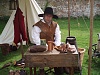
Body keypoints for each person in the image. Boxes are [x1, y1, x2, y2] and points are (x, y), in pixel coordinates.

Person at [32, 7, 66, 75]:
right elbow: (36, 39)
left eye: (50, 16)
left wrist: (56, 44)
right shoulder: (37, 26)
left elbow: (58, 35)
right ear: (44, 16)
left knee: (60, 52)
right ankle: (41, 68)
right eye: (47, 16)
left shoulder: (55, 25)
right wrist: (46, 47)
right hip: (41, 46)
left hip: (53, 45)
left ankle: (58, 67)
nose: (49, 18)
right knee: (41, 57)